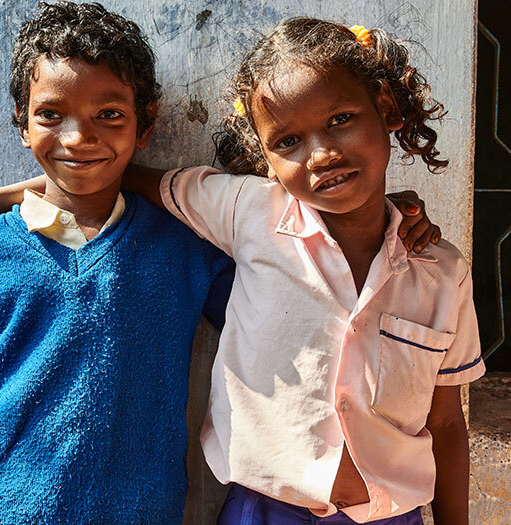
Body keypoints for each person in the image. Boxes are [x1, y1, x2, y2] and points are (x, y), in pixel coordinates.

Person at [122, 19, 484, 525]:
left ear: (386, 108)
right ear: (265, 159)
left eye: (340, 119)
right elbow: (111, 172)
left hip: (393, 516)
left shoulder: (441, 271)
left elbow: (446, 422)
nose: (321, 154)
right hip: (263, 512)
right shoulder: (246, 210)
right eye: (288, 141)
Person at [0, 3, 235, 524]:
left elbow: (276, 307)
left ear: (145, 123)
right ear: (21, 122)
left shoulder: (187, 249)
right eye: (50, 115)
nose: (77, 138)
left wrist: (378, 223)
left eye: (108, 114)